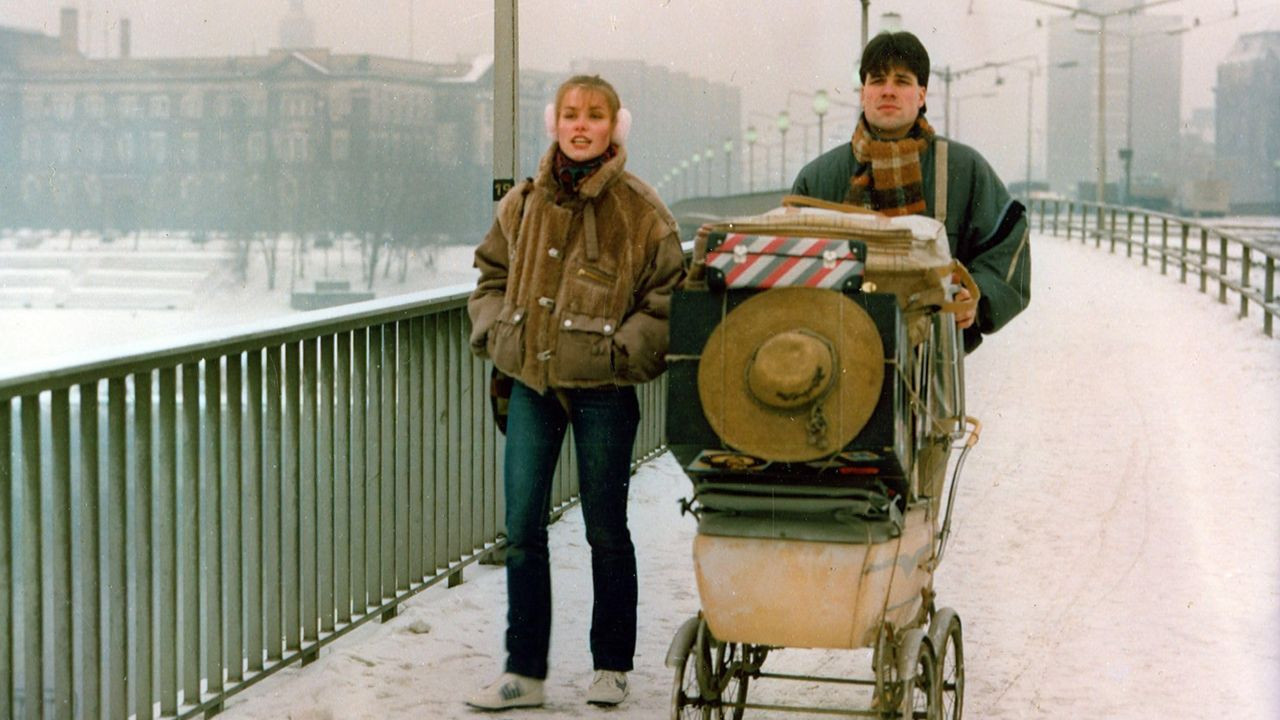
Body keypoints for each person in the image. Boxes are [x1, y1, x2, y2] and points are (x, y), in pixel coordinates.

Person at [465, 75, 685, 710]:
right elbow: (489, 277)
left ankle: (611, 664)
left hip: (604, 395)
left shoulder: (643, 213)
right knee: (522, 528)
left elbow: (666, 301)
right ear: (553, 123)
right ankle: (524, 673)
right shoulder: (524, 205)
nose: (580, 126)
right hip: (532, 383)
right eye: (570, 115)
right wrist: (498, 336)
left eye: (594, 116)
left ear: (615, 127)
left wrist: (619, 354)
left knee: (605, 529)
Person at [791, 30, 1031, 353]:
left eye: (902, 81)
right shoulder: (817, 179)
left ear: (921, 95)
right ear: (863, 93)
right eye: (877, 80)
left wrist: (978, 296)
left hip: (934, 364)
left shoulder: (964, 168)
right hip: (837, 357)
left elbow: (1008, 243)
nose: (888, 91)